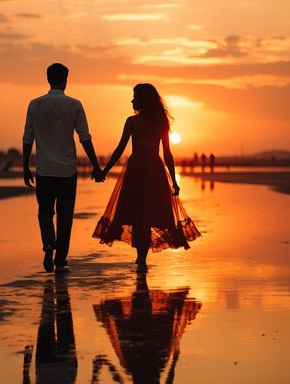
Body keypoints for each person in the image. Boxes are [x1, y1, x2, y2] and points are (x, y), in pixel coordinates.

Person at [92, 83, 200, 272]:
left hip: (139, 170)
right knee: (144, 212)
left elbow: (124, 150)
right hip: (151, 170)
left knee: (141, 211)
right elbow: (167, 154)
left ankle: (141, 259)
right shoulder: (157, 122)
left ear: (143, 100)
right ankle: (141, 258)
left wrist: (104, 170)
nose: (132, 100)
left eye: (135, 96)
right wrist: (173, 181)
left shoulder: (134, 122)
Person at [23, 63, 103, 273]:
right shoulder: (74, 105)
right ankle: (60, 258)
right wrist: (96, 165)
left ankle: (49, 242)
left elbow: (27, 138)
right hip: (67, 169)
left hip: (44, 169)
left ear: (48, 78)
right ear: (65, 80)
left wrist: (25, 166)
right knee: (65, 215)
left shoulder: (34, 104)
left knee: (45, 211)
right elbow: (84, 137)